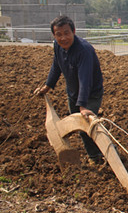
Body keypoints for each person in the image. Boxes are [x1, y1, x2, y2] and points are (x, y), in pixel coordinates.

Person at [36, 15, 105, 164]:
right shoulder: (57, 46)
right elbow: (57, 65)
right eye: (58, 34)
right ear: (54, 35)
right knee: (81, 128)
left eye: (66, 33)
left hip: (91, 94)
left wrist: (83, 106)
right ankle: (96, 154)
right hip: (73, 93)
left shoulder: (84, 50)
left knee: (87, 126)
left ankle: (99, 156)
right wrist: (47, 86)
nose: (63, 38)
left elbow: (85, 79)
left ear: (74, 31)